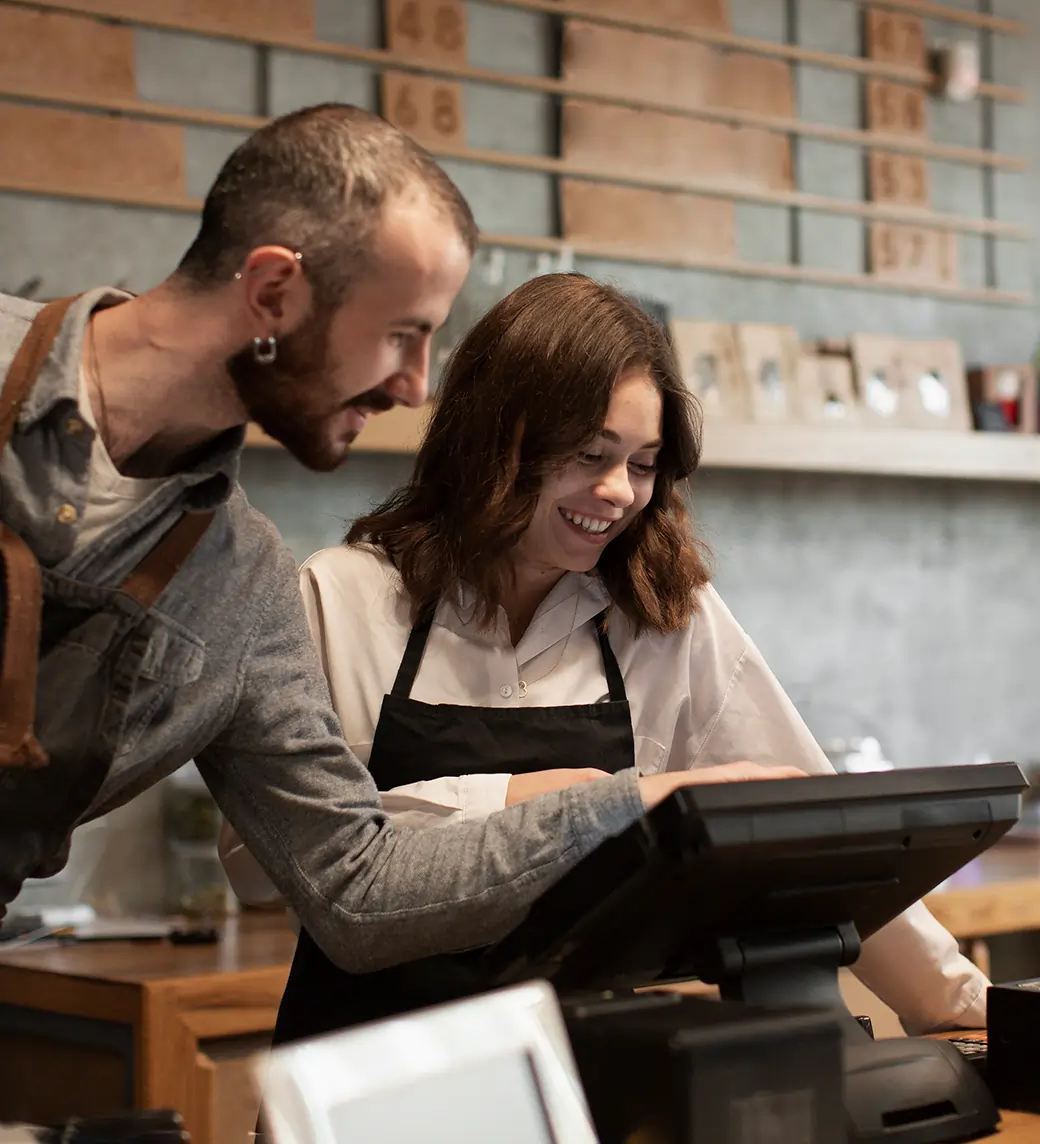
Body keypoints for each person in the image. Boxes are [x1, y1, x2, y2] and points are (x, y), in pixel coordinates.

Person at [0, 103, 793, 971]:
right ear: (272, 293)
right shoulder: (324, 589)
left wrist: (623, 807)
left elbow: (352, 885)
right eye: (402, 336)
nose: (416, 389)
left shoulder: (240, 583)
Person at [222, 272, 988, 1043]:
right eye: (591, 454)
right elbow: (259, 865)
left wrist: (961, 1002)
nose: (619, 490)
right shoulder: (342, 597)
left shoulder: (665, 615)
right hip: (367, 1070)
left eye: (644, 463)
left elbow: (815, 835)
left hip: (587, 1072)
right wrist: (557, 799)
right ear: (496, 438)